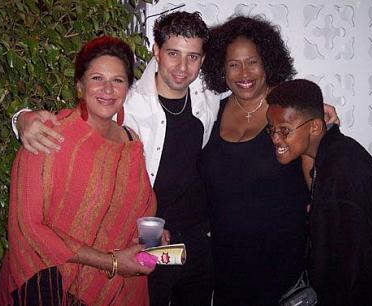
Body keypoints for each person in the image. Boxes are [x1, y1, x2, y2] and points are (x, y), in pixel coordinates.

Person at [11, 11, 219, 306]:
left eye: (193, 57)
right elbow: (75, 131)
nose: (183, 67)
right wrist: (23, 118)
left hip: (180, 239)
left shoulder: (206, 100)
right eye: (173, 53)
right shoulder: (126, 105)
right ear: (156, 51)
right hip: (127, 252)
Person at [0, 36, 157, 306]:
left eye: (118, 80)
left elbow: (138, 207)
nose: (107, 89)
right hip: (50, 286)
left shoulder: (131, 143)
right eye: (97, 78)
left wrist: (145, 236)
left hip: (110, 289)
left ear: (128, 88)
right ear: (80, 85)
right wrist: (113, 262)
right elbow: (30, 228)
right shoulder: (47, 136)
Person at [200, 15, 337, 305]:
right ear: (221, 69)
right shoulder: (211, 113)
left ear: (267, 63)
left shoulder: (290, 114)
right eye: (233, 64)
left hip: (282, 269)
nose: (243, 72)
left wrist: (323, 126)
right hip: (226, 266)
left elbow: (320, 185)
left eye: (252, 61)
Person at [266, 78, 372, 306]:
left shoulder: (339, 177)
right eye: (272, 129)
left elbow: (349, 279)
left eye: (284, 130)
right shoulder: (336, 152)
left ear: (315, 127)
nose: (275, 138)